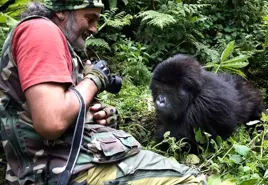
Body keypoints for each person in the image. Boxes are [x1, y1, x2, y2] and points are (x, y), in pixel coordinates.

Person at [0, 0, 207, 184]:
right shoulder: (40, 31)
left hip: (72, 162)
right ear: (62, 11)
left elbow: (54, 108)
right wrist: (95, 79)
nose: (94, 28)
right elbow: (52, 121)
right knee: (192, 180)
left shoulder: (55, 43)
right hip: (65, 170)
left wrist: (98, 115)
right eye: (89, 18)